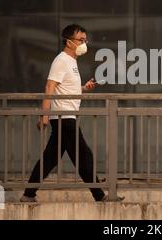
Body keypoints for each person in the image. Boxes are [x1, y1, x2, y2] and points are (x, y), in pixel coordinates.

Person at [20, 24, 123, 202]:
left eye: (85, 40)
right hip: (63, 117)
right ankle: (99, 196)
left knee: (50, 159)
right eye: (80, 40)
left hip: (66, 117)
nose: (84, 43)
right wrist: (44, 115)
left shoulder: (71, 62)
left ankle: (28, 194)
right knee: (84, 156)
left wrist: (84, 88)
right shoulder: (61, 60)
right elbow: (49, 87)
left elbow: (65, 88)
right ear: (69, 42)